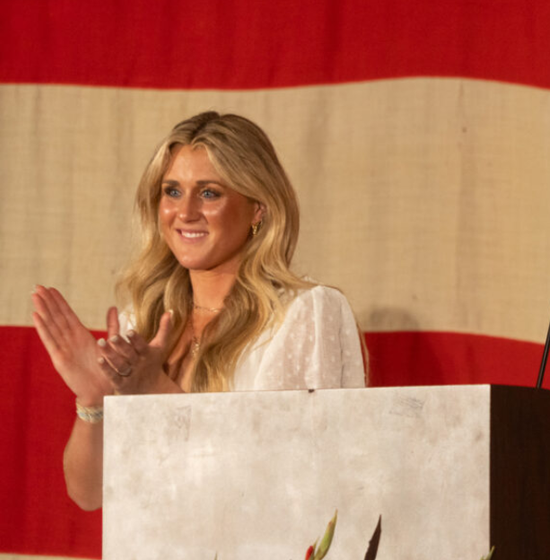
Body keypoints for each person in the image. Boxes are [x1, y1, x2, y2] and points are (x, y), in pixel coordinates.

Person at [31, 112, 366, 511]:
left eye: (209, 193)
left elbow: (294, 481)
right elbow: (88, 495)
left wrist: (158, 392)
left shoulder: (304, 314)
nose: (185, 211)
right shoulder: (143, 321)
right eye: (172, 191)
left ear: (258, 207)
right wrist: (96, 400)